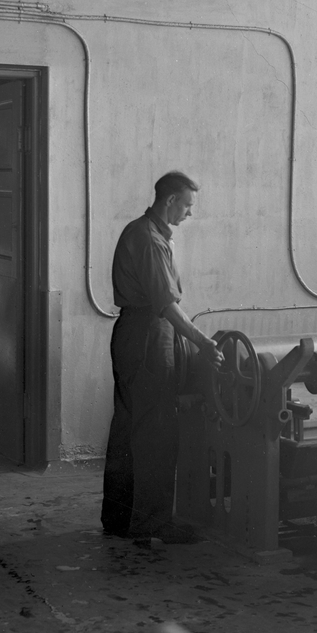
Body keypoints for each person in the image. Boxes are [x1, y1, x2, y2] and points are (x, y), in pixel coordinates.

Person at [101, 170, 221, 545]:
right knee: (157, 432)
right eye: (187, 205)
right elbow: (166, 305)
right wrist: (204, 343)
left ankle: (119, 518)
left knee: (127, 428)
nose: (189, 212)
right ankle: (152, 523)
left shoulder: (140, 231)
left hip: (133, 334)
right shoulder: (151, 240)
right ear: (170, 200)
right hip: (148, 336)